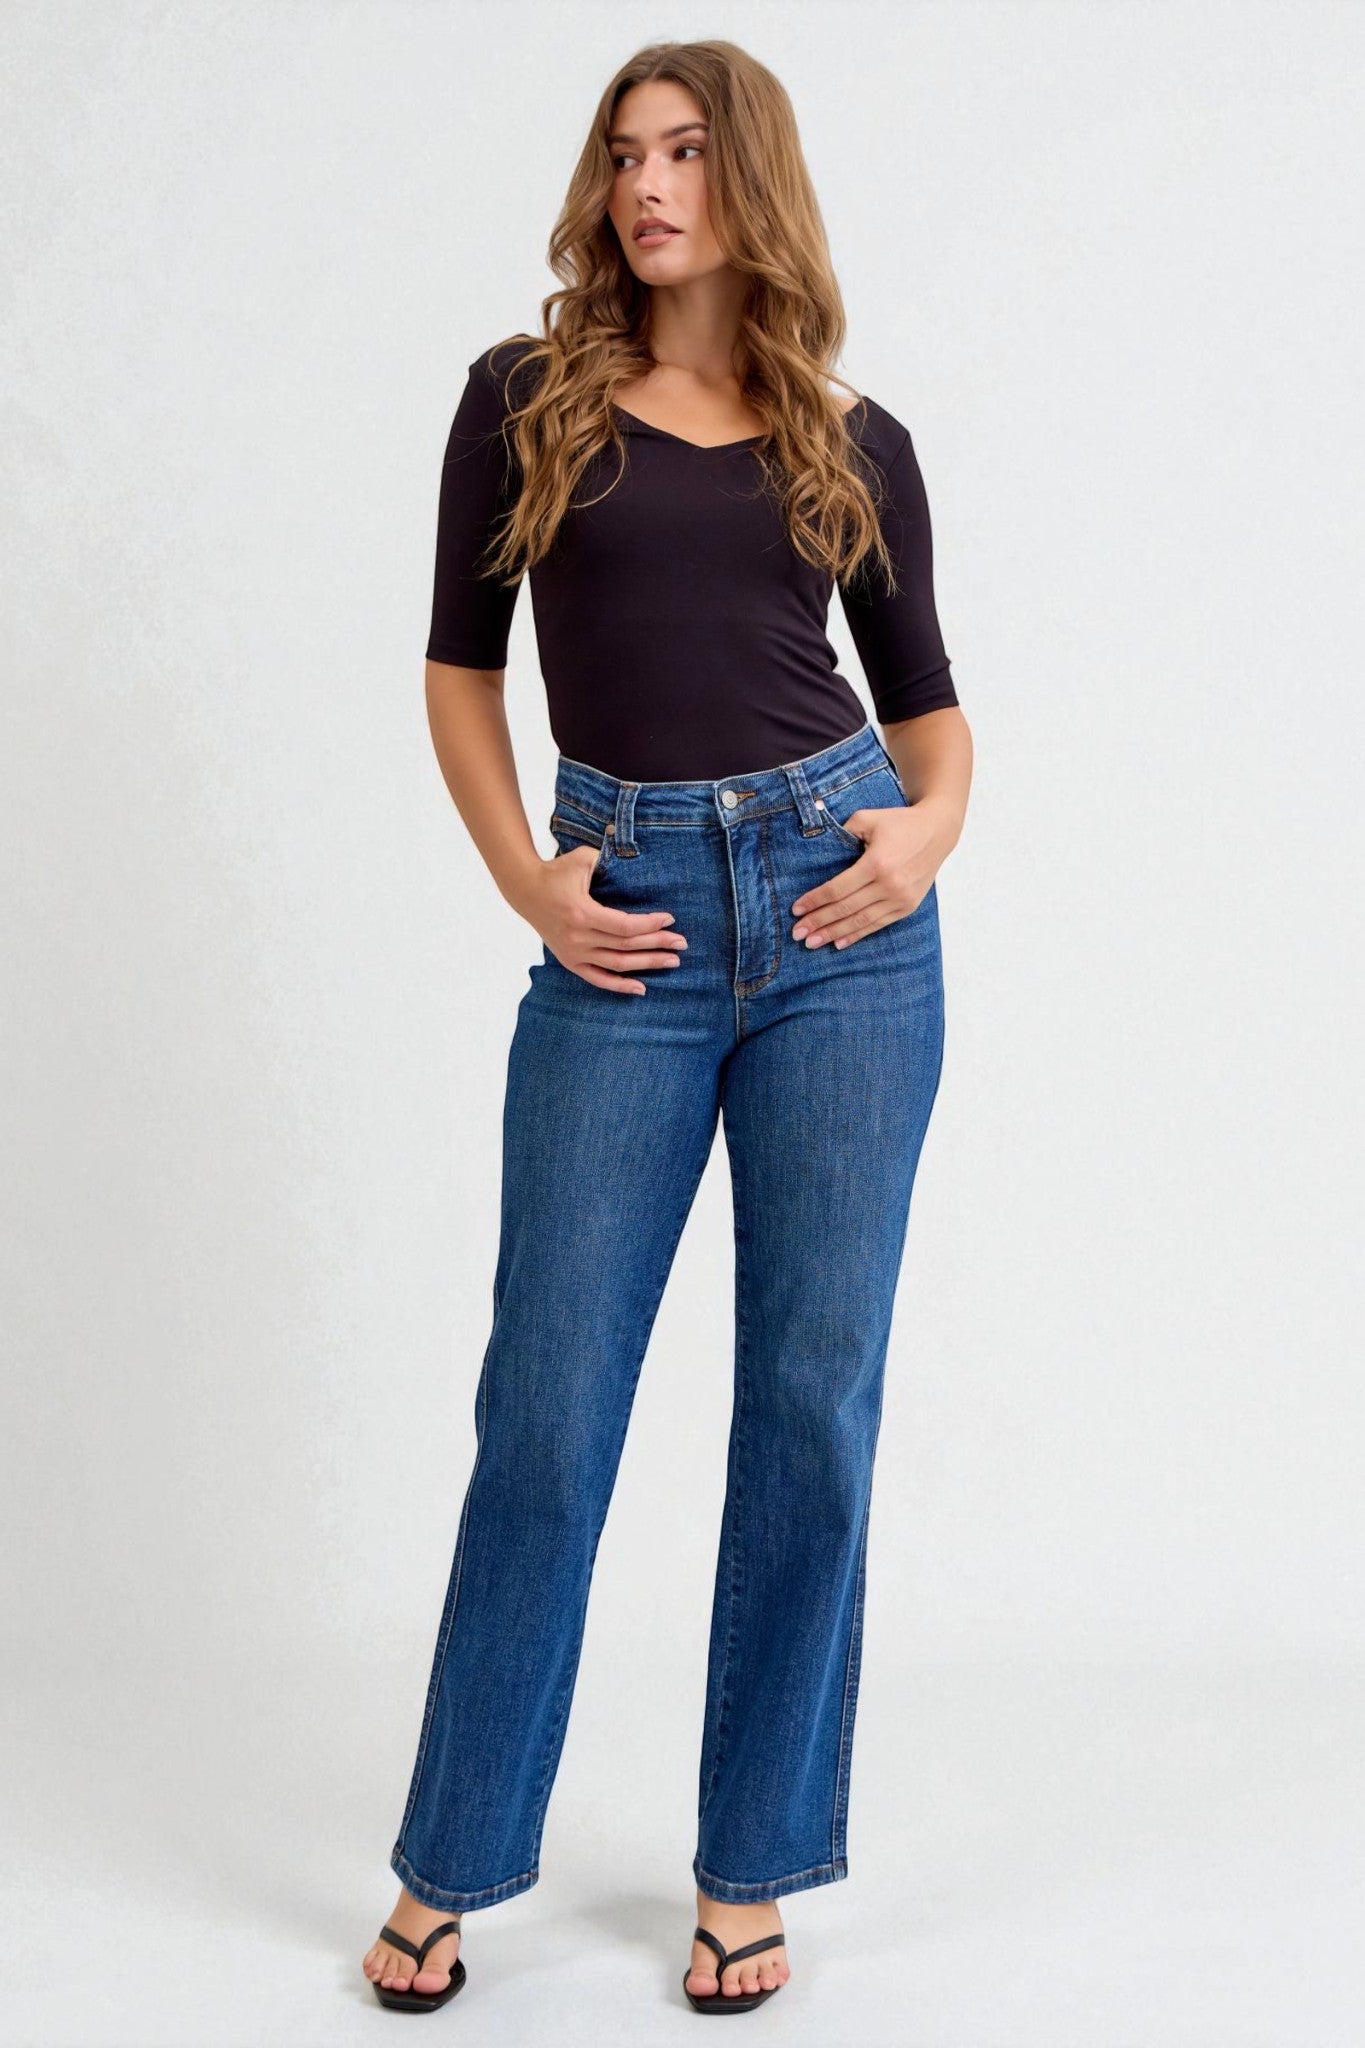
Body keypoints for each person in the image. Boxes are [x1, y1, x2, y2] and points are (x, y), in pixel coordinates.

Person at [363, 36, 974, 2018]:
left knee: (807, 1401)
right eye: (624, 153)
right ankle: (451, 1860)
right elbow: (461, 675)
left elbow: (931, 716)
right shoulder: (521, 403)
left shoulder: (845, 438)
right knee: (544, 1417)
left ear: (749, 178)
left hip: (838, 925)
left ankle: (749, 1867)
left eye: (687, 150)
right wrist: (526, 882)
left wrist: (929, 835)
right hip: (617, 918)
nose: (647, 185)